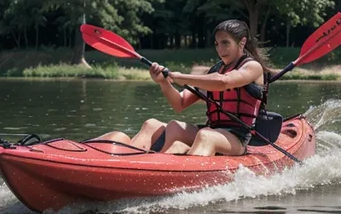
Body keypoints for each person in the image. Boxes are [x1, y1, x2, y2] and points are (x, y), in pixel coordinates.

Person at [90, 19, 271, 157]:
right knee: (156, 124)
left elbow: (224, 82)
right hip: (213, 129)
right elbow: (180, 103)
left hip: (237, 138)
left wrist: (180, 76)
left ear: (241, 42)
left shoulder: (252, 67)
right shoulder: (215, 70)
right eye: (217, 44)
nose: (220, 49)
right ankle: (128, 160)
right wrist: (164, 82)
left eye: (226, 43)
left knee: (206, 136)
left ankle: (179, 173)